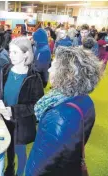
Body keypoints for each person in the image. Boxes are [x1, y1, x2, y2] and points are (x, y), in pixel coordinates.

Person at [25, 46, 103, 176]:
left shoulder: (59, 115)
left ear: (67, 73)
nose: (49, 69)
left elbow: (43, 163)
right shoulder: (85, 99)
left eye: (54, 66)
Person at [0, 37, 44, 176]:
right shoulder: (6, 69)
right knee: (7, 148)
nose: (11, 55)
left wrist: (13, 111)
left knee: (20, 152)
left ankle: (20, 172)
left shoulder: (34, 77)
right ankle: (9, 169)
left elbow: (37, 105)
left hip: (21, 123)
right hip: (4, 120)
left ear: (26, 54)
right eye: (10, 52)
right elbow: (0, 91)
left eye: (15, 52)